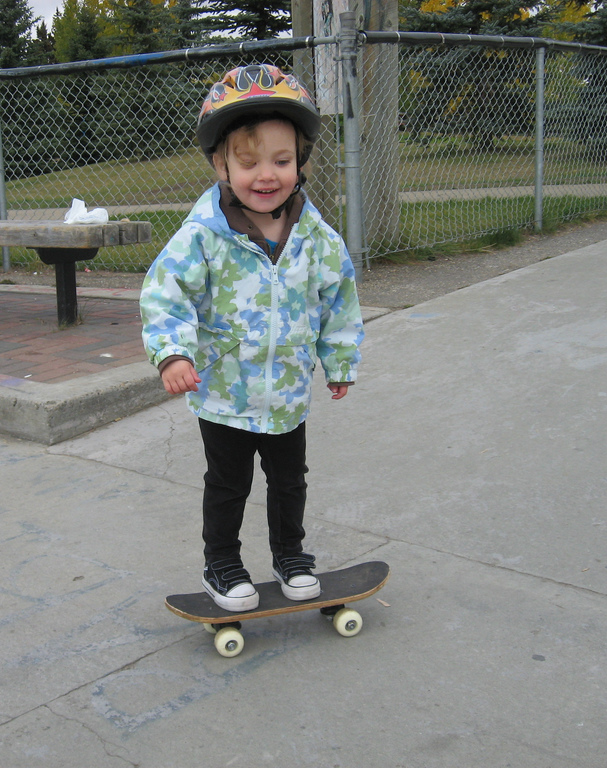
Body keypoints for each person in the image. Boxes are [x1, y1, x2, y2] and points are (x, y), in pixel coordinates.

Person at [140, 64, 364, 612]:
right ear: (220, 164)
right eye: (249, 162)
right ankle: (222, 565)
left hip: (287, 392)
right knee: (228, 484)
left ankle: (291, 557)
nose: (267, 175)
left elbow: (340, 301)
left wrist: (339, 362)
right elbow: (165, 293)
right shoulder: (203, 237)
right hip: (223, 395)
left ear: (300, 163)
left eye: (282, 161)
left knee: (290, 481)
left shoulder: (316, 239)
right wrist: (172, 353)